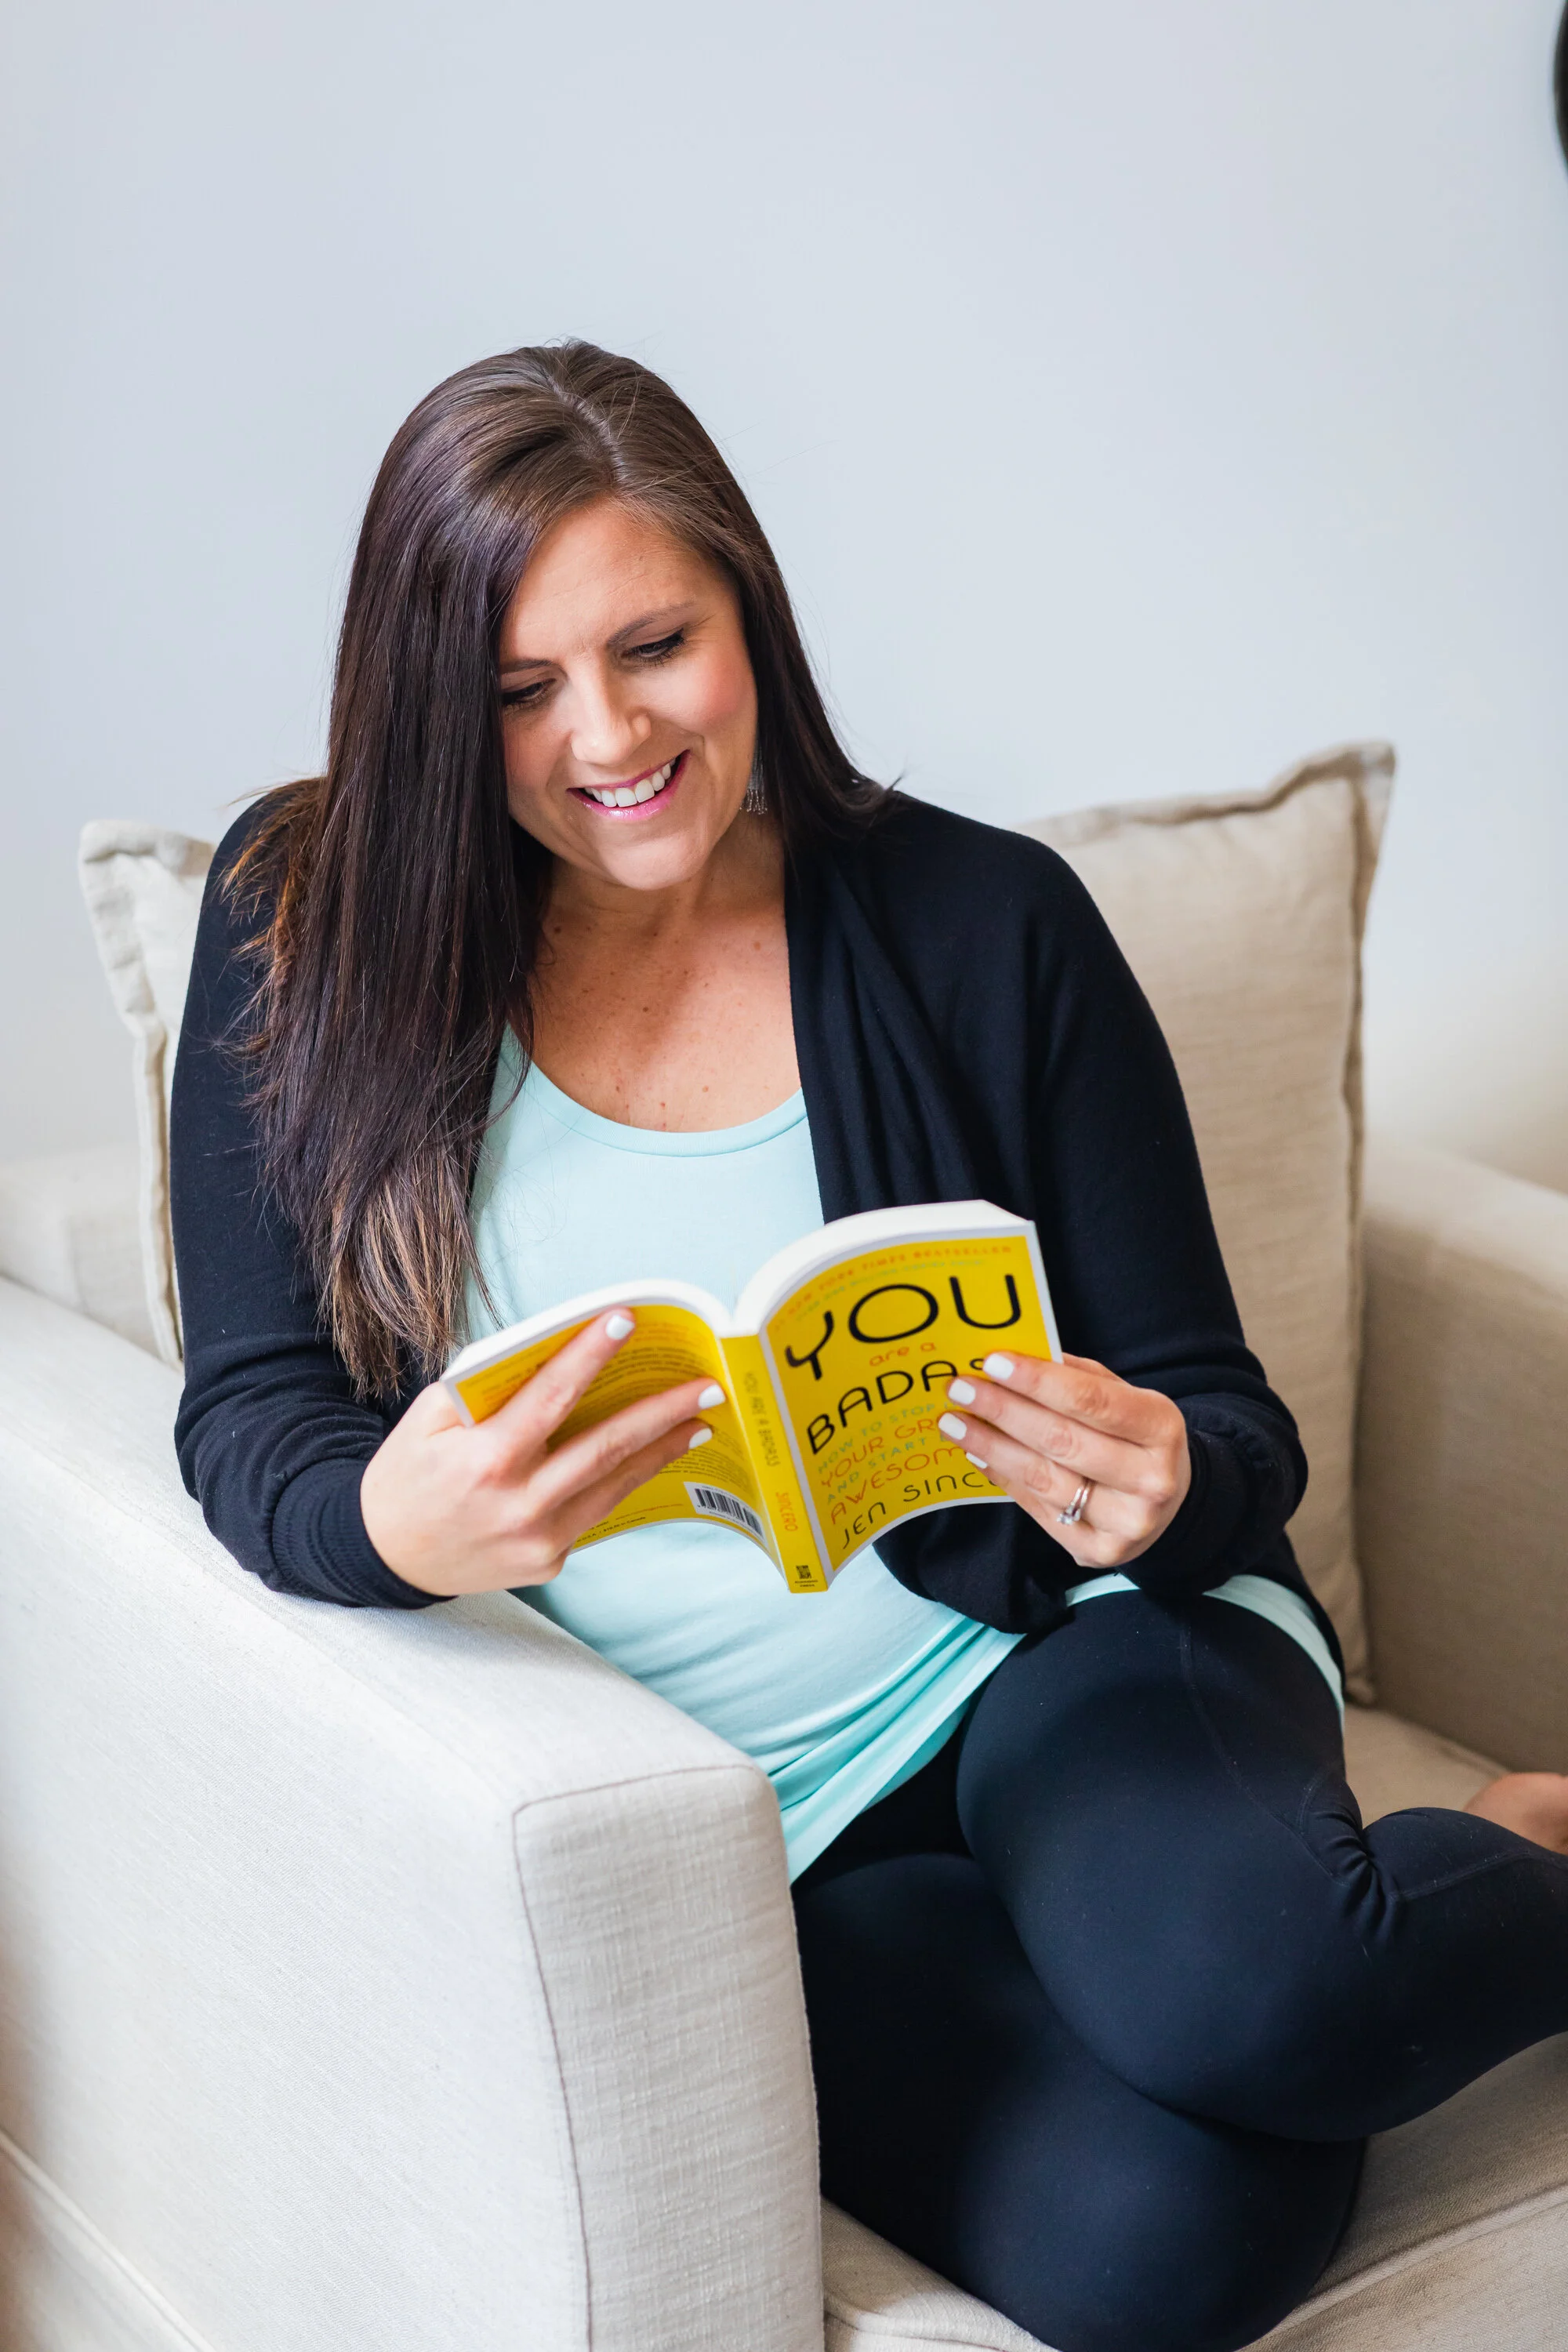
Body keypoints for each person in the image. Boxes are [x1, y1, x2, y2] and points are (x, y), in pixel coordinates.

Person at [171, 341, 1568, 2352]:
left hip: (1060, 1650)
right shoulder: (301, 922)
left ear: (749, 608)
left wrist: (1165, 1474)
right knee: (1156, 2259)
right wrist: (389, 1521)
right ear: (428, 702)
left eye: (657, 643)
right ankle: (1308, 1945)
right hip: (760, 1819)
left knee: (1271, 1999)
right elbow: (249, 1419)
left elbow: (1231, 1421)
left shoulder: (986, 922)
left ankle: (1506, 1859)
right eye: (519, 689)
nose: (610, 735)